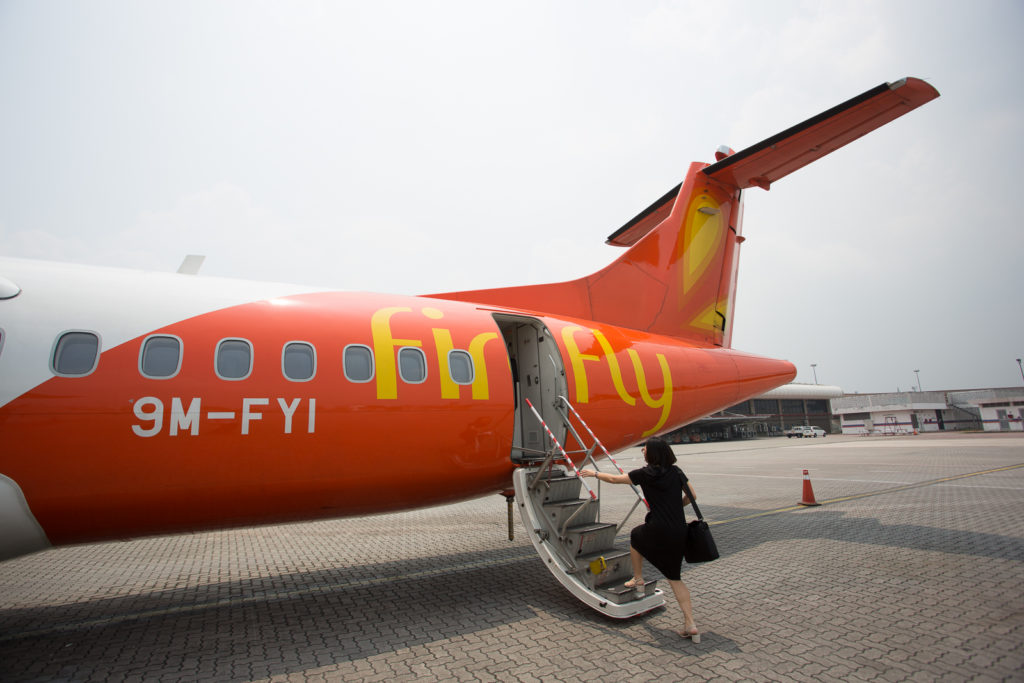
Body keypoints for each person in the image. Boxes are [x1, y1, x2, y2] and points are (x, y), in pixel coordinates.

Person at [580, 437, 700, 642]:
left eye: (645, 448)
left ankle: (638, 577)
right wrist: (675, 507)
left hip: (657, 527)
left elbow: (615, 480)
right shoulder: (677, 472)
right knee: (674, 577)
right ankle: (690, 623)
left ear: (652, 453)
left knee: (636, 536)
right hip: (679, 529)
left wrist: (594, 473)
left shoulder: (645, 474)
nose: (642, 450)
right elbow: (693, 496)